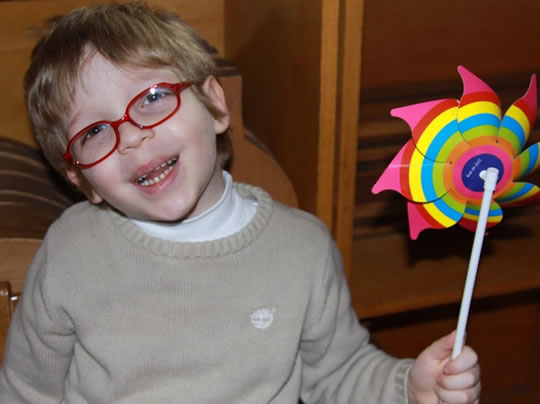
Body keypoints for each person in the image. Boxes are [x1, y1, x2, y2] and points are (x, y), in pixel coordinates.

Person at [0, 2, 481, 403]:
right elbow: (25, 392)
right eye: (94, 132)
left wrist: (409, 388)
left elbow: (339, 372)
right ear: (81, 179)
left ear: (214, 104)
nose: (131, 137)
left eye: (152, 97)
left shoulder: (301, 249)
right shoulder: (70, 252)